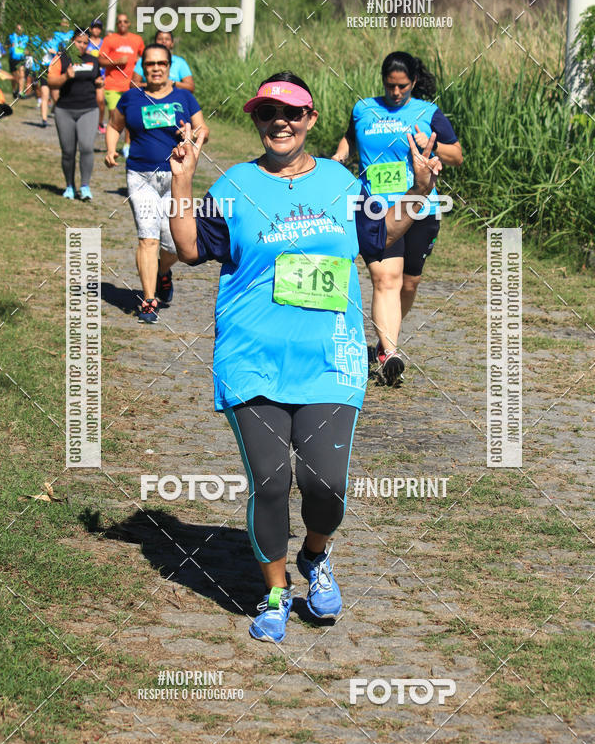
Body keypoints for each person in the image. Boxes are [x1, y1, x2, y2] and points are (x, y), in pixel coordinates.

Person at [168, 72, 441, 644]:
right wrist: (183, 182)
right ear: (258, 122)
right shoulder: (236, 184)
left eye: (291, 113)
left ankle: (315, 555)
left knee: (326, 483)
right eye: (268, 113)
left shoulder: (343, 183)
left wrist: (417, 188)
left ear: (311, 120)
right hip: (252, 355)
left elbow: (381, 236)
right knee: (270, 482)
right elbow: (191, 249)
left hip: (331, 356)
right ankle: (274, 591)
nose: (280, 122)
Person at [333, 51, 463, 385]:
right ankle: (390, 352)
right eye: (390, 86)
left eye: (402, 86)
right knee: (385, 279)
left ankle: (382, 342)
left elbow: (456, 154)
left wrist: (430, 147)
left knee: (409, 282)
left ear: (414, 82)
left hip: (419, 205)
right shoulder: (364, 108)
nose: (395, 93)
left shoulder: (428, 113)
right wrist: (340, 156)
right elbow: (350, 136)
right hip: (375, 207)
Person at [104, 42, 208, 323]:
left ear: (169, 66)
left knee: (176, 245)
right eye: (150, 64)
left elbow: (203, 129)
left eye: (162, 63)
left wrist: (190, 135)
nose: (156, 68)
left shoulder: (184, 98)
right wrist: (111, 149)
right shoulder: (131, 97)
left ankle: (163, 272)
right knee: (148, 237)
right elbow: (115, 125)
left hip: (176, 179)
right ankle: (148, 299)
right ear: (143, 67)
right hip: (141, 176)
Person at [47, 30, 102, 200]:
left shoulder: (93, 60)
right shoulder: (61, 58)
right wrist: (65, 76)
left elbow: (97, 80)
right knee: (68, 151)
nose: (82, 46)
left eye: (86, 43)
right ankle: (69, 186)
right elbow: (51, 81)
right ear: (72, 41)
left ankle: (85, 186)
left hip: (88, 109)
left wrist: (99, 83)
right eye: (79, 42)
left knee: (86, 147)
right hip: (65, 110)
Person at [99, 13, 145, 157]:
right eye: (119, 22)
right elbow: (100, 60)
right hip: (112, 84)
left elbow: (145, 57)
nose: (122, 24)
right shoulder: (109, 39)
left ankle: (127, 146)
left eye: (125, 21)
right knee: (115, 116)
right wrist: (116, 61)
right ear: (117, 25)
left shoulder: (137, 39)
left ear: (129, 23)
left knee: (130, 117)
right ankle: (111, 148)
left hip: (131, 85)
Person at [87, 19, 106, 134]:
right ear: (90, 29)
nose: (97, 29)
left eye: (99, 27)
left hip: (101, 75)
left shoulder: (104, 43)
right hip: (87, 75)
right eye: (94, 27)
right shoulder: (85, 41)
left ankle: (100, 122)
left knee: (100, 100)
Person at [7, 24, 28, 98]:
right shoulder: (11, 36)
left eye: (20, 29)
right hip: (13, 59)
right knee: (14, 77)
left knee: (22, 74)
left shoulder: (26, 37)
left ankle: (20, 91)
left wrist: (27, 51)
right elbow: (6, 46)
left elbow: (28, 48)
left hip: (21, 59)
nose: (19, 30)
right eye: (18, 29)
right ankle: (14, 90)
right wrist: (10, 46)